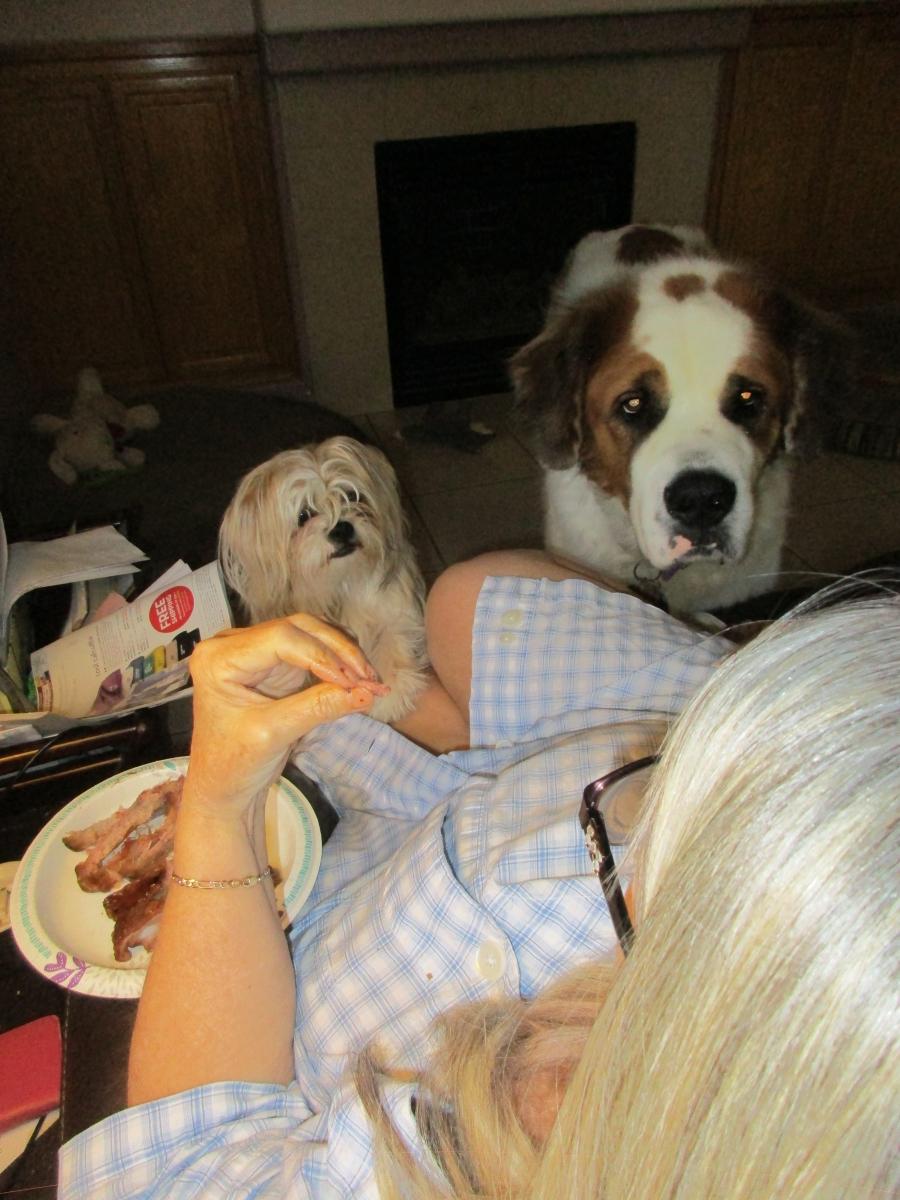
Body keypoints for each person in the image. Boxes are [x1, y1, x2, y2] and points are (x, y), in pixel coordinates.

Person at [58, 552, 899, 1200]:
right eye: (664, 777)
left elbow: (180, 1162)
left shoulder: (525, 1137)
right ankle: (675, 683)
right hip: (459, 807)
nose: (629, 812)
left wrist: (221, 808)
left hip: (331, 945)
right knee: (467, 597)